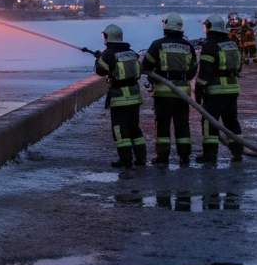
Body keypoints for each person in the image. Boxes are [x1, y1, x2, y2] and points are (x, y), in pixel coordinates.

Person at [141, 12, 196, 165]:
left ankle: (162, 156)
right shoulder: (188, 46)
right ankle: (184, 156)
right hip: (182, 94)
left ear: (165, 26)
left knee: (163, 125)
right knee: (182, 125)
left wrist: (155, 77)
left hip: (163, 93)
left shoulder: (157, 45)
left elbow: (146, 66)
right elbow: (193, 69)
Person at [94, 24, 146, 169]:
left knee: (119, 129)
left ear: (107, 36)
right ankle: (141, 159)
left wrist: (99, 58)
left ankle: (125, 160)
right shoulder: (131, 52)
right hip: (135, 97)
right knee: (134, 129)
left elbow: (100, 71)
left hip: (120, 98)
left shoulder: (109, 54)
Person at [195, 14, 245, 165]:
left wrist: (199, 89)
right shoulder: (232, 44)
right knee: (231, 122)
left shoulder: (209, 45)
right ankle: (238, 152)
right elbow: (239, 66)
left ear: (210, 27)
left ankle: (210, 155)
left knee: (210, 122)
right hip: (232, 88)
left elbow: (205, 72)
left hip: (216, 91)